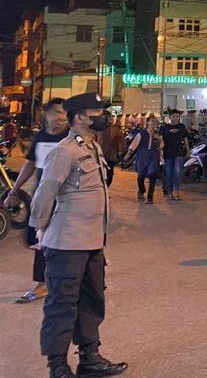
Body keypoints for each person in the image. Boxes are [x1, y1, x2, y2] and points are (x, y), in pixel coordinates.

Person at [29, 93, 127, 378]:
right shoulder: (64, 151)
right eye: (97, 111)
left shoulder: (93, 147)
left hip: (93, 242)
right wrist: (39, 227)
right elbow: (46, 191)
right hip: (67, 243)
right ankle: (57, 365)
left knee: (92, 300)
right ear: (81, 117)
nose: (103, 116)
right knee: (62, 304)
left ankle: (89, 357)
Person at [6, 98, 68, 304]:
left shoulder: (71, 137)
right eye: (56, 112)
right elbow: (30, 165)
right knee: (38, 241)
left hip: (67, 201)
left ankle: (62, 281)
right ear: (46, 114)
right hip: (43, 200)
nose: (60, 117)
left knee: (66, 242)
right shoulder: (41, 138)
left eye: (63, 113)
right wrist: (13, 191)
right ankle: (45, 283)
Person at [126, 114, 161, 203]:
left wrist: (160, 143)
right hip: (142, 158)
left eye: (155, 121)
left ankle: (150, 198)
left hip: (153, 158)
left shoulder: (157, 135)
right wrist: (128, 155)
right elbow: (134, 145)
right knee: (141, 176)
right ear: (147, 122)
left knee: (152, 176)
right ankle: (141, 191)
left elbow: (161, 146)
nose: (153, 123)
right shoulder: (141, 134)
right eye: (152, 121)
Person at [159, 109, 187, 200]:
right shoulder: (165, 127)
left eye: (177, 116)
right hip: (167, 154)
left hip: (178, 153)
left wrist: (188, 149)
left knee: (177, 172)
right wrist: (161, 144)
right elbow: (161, 138)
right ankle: (170, 192)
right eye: (173, 116)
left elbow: (185, 139)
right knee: (169, 173)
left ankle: (177, 191)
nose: (175, 118)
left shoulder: (182, 127)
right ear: (170, 117)